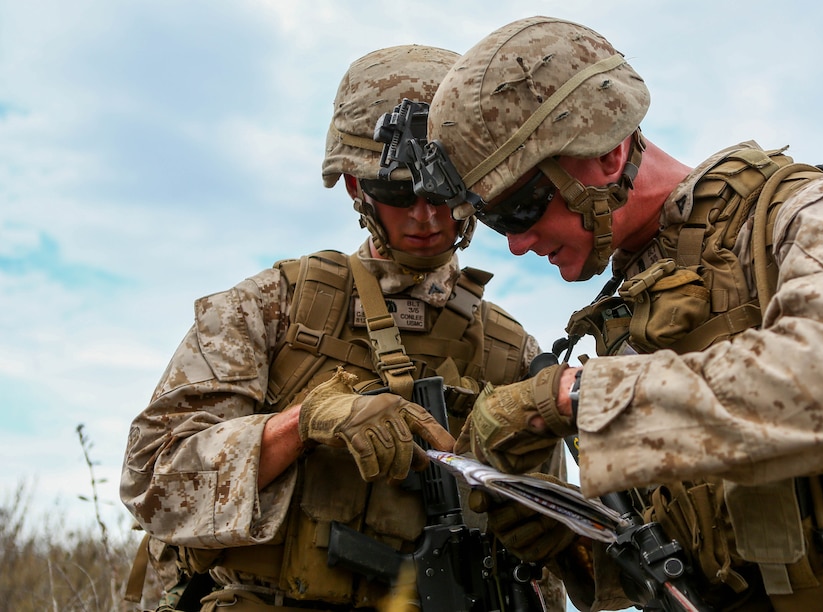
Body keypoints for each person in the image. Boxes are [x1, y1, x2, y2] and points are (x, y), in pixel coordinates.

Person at [408, 15, 823, 612]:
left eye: (520, 209)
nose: (515, 243)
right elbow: (684, 560)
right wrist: (565, 538)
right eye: (490, 221)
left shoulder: (813, 215)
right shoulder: (628, 320)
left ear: (606, 157)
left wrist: (570, 398)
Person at [120, 44, 569, 612]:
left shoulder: (512, 354)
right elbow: (152, 485)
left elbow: (542, 561)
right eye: (397, 193)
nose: (426, 217)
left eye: (444, 191)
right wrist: (300, 425)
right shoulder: (272, 307)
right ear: (357, 188)